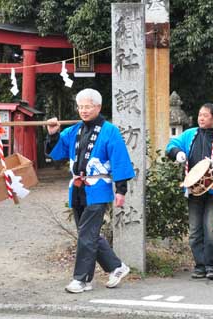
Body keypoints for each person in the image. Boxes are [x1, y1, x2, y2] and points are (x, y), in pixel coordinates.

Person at [45, 88, 135, 293]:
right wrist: (53, 134)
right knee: (88, 234)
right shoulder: (74, 130)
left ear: (98, 107)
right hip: (77, 188)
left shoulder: (110, 130)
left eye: (88, 107)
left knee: (87, 234)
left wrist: (121, 190)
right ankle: (116, 267)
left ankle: (82, 279)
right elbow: (56, 152)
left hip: (98, 188)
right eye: (81, 107)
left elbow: (120, 159)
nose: (84, 111)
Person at [166, 103, 213, 280]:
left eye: (206, 115)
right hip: (193, 190)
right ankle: (199, 265)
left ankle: (211, 265)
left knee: (211, 229)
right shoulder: (189, 134)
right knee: (195, 231)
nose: (201, 118)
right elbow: (171, 145)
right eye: (200, 114)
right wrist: (177, 153)